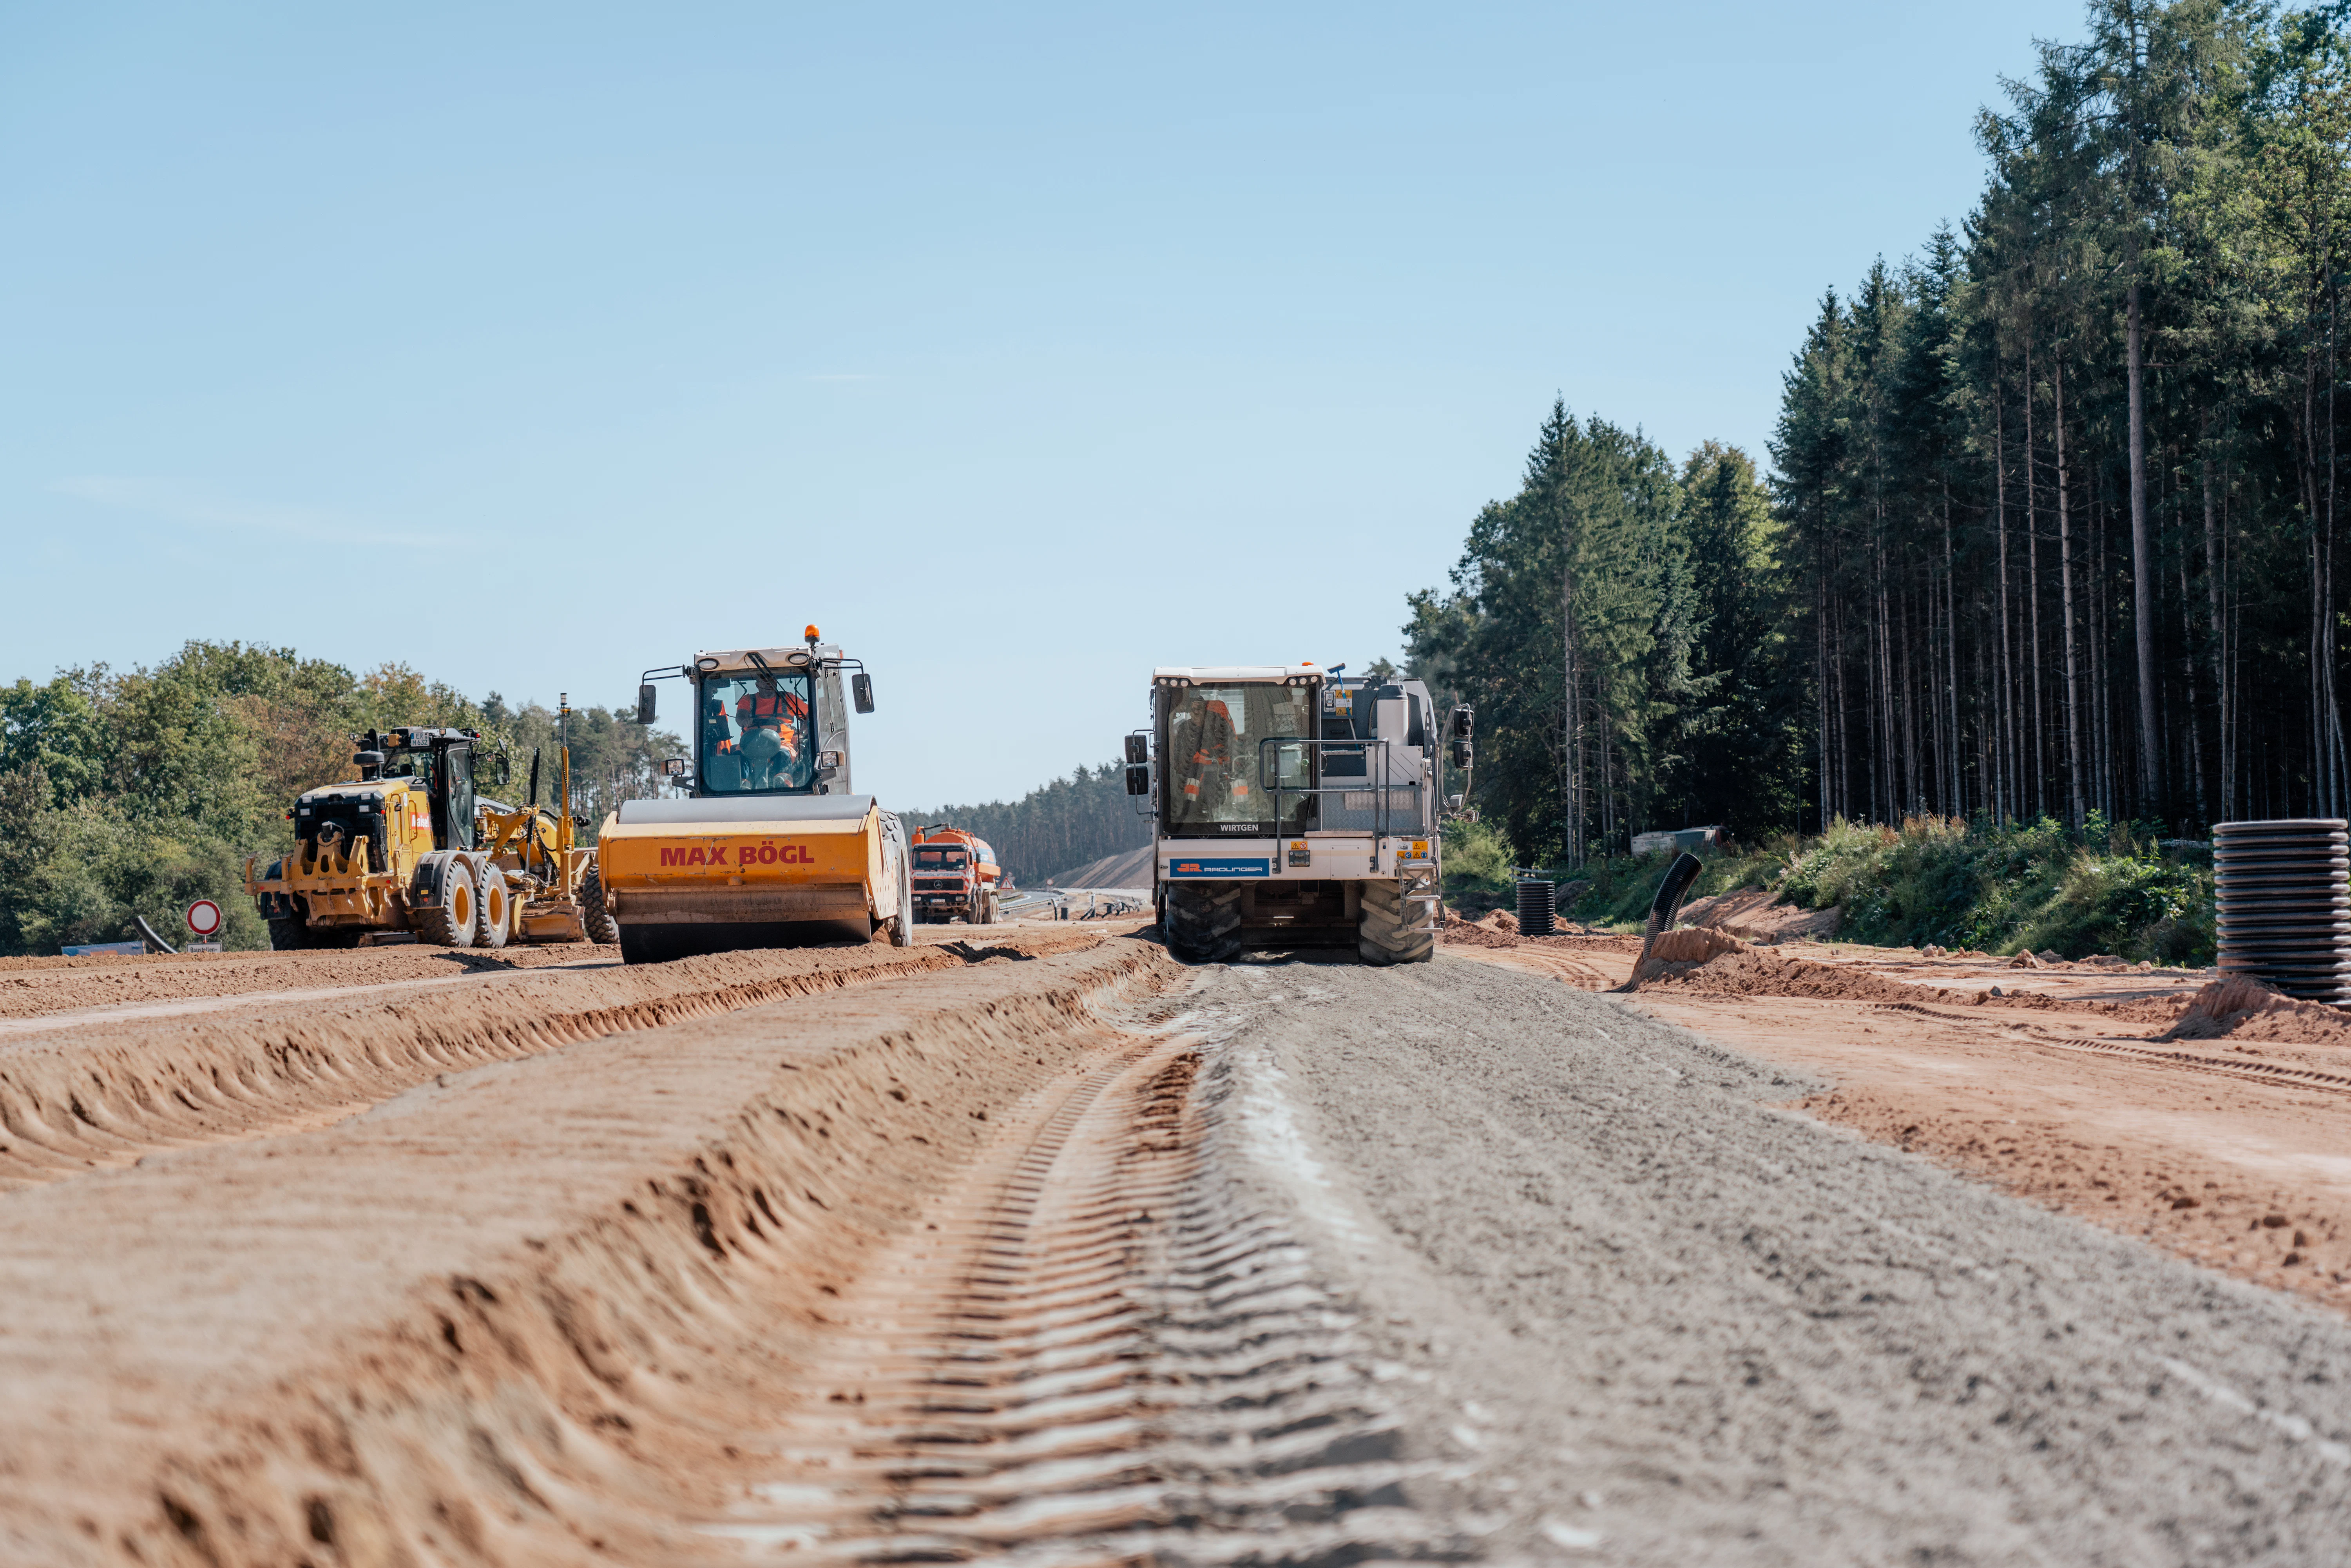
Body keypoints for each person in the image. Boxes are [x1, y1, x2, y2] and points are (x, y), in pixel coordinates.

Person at [736, 674, 810, 788]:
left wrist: (802, 733)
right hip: (750, 745)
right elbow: (740, 718)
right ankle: (742, 785)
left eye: (772, 680)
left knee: (783, 754)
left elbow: (811, 714)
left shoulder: (788, 699)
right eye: (765, 681)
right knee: (739, 756)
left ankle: (783, 784)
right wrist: (745, 721)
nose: (769, 683)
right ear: (757, 685)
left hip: (782, 744)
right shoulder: (747, 700)